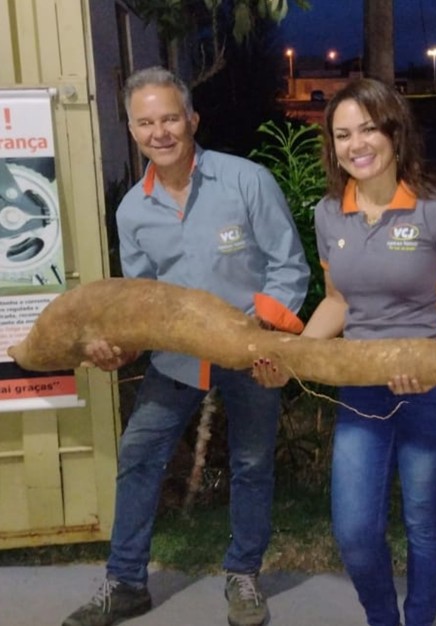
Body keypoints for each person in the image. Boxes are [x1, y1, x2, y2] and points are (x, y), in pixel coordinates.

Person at [62, 67, 310, 626]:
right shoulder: (132, 210)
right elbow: (142, 302)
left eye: (170, 118)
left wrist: (258, 334)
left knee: (251, 464)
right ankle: (125, 581)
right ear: (131, 129)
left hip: (252, 352)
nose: (160, 132)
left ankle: (243, 576)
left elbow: (288, 267)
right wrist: (119, 344)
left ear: (192, 119)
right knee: (138, 455)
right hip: (178, 361)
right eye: (146, 122)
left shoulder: (246, 181)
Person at [254, 78, 436, 626]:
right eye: (341, 134)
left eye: (367, 128)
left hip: (434, 383)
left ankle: (420, 619)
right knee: (355, 530)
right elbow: (338, 302)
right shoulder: (329, 213)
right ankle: (383, 618)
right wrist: (296, 356)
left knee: (424, 517)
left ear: (393, 131)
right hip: (362, 385)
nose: (356, 143)